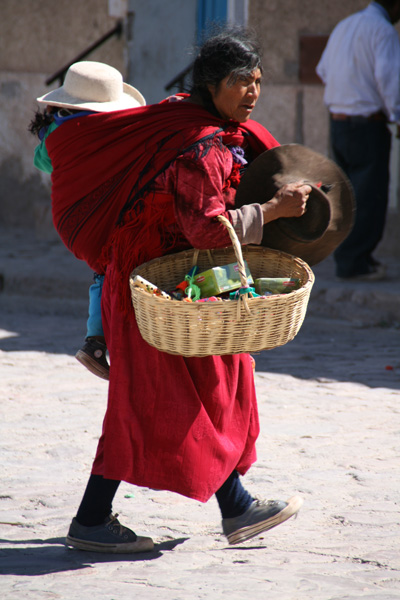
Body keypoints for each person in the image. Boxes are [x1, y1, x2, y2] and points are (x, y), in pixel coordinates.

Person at [34, 29, 311, 553]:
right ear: (212, 84)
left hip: (181, 282)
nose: (252, 94)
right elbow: (206, 229)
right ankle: (99, 519)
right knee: (153, 402)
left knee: (205, 387)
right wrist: (273, 213)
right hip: (154, 288)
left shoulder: (191, 119)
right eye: (239, 83)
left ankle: (234, 507)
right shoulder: (199, 145)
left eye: (257, 82)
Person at [30, 61, 146, 380]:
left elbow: (43, 162)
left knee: (102, 271)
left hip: (75, 222)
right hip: (105, 217)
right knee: (112, 265)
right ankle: (108, 338)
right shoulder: (119, 130)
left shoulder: (58, 131)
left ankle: (96, 341)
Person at [316, 0, 400, 281]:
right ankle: (354, 262)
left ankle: (352, 257)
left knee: (347, 196)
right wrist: (397, 115)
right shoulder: (382, 30)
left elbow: (322, 70)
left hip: (339, 123)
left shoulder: (346, 25)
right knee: (369, 196)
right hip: (366, 125)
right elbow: (389, 79)